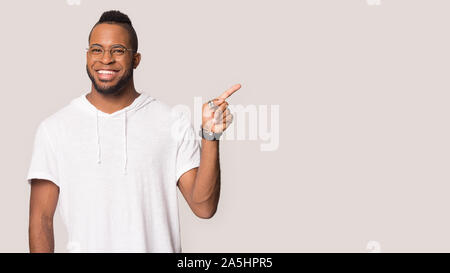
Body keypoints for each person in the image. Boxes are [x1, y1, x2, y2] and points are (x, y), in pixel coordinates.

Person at [27, 10, 240, 253]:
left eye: (118, 50)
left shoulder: (172, 122)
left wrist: (210, 137)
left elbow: (204, 207)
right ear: (87, 56)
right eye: (97, 49)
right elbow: (41, 222)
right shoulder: (54, 129)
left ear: (136, 59)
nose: (105, 59)